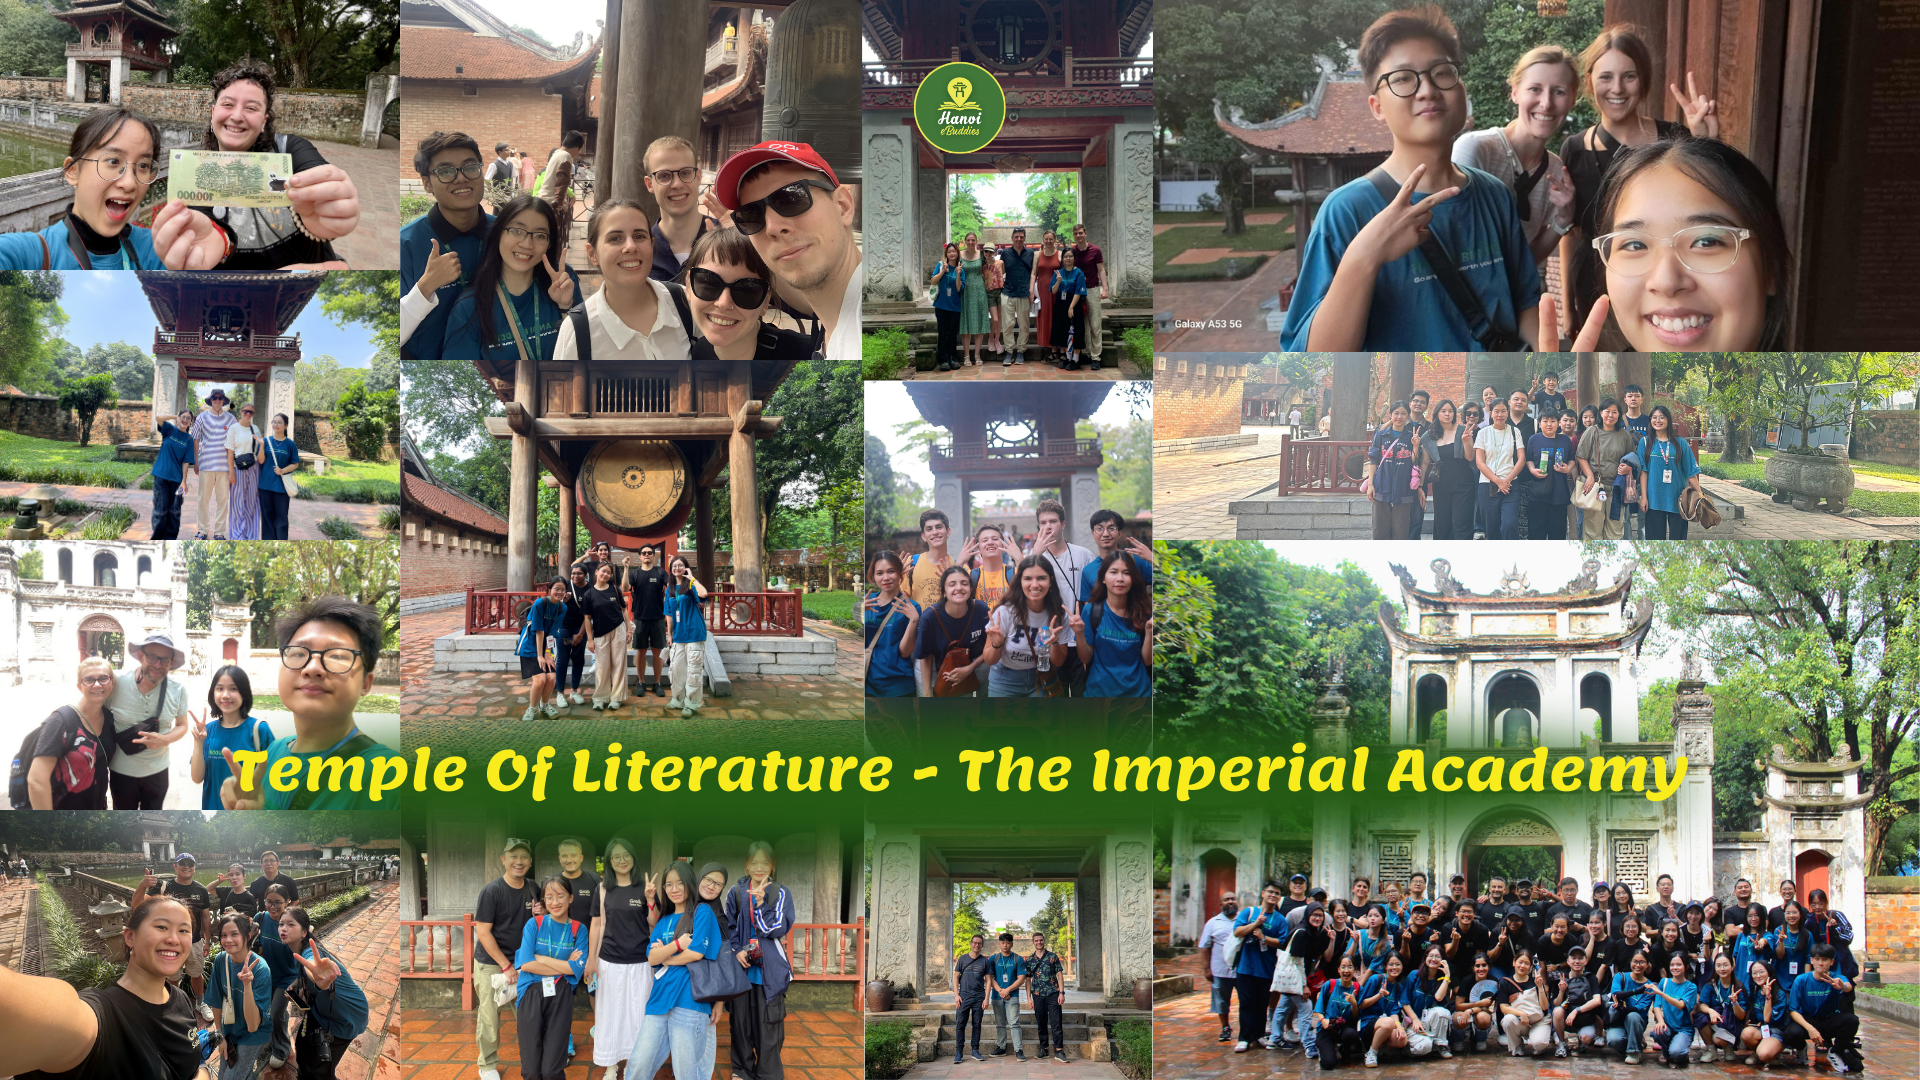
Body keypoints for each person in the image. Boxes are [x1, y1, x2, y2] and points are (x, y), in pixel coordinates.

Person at [1281, 6, 1542, 351]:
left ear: (1462, 88)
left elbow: (1526, 305)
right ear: (1376, 107)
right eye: (1403, 78)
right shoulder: (1348, 211)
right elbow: (1314, 364)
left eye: (1442, 72)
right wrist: (1363, 258)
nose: (1427, 90)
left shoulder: (1494, 195)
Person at [1555, 25, 1709, 339]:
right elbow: (1571, 234)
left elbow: (1704, 208)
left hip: (1658, 279)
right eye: (1605, 77)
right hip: (1593, 286)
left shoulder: (1674, 137)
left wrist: (1706, 142)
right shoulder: (1574, 148)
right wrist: (1568, 308)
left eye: (1629, 76)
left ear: (1643, 80)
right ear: (1590, 81)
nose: (1617, 88)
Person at [219, 598, 398, 811]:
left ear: (365, 683)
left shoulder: (390, 776)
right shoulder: (272, 753)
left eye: (337, 656)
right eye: (298, 653)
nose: (312, 668)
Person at [0, 894, 204, 1079]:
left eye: (183, 930)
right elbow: (52, 1017)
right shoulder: (100, 1019)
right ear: (130, 937)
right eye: (161, 927)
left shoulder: (181, 999)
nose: (174, 939)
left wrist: (202, 1072)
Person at [552, 201, 695, 461]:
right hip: (610, 471)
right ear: (592, 254)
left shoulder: (684, 303)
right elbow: (560, 418)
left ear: (652, 244)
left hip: (687, 464)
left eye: (639, 236)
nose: (630, 246)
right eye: (615, 238)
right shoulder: (578, 330)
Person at [0, 109, 225, 270]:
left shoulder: (159, 249)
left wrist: (221, 246)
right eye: (113, 161)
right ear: (72, 171)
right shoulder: (27, 255)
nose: (129, 183)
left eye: (143, 166)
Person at [192, 61, 359, 270]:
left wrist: (330, 202)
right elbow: (202, 229)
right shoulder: (196, 172)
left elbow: (317, 176)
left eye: (251, 108)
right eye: (227, 104)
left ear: (264, 121)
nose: (237, 116)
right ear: (213, 112)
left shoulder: (290, 150)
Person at [709, 140, 863, 362]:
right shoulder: (835, 323)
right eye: (752, 215)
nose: (772, 227)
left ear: (842, 206)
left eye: (792, 199)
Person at [1452, 47, 1577, 271]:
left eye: (1559, 92)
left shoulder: (1555, 171)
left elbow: (1527, 261)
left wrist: (1563, 219)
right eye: (1535, 89)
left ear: (1572, 100)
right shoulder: (1476, 150)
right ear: (1515, 93)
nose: (1546, 103)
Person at [442, 194, 579, 378]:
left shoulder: (563, 281)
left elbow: (585, 351)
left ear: (549, 244)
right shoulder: (469, 308)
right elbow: (463, 377)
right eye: (516, 230)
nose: (527, 244)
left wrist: (565, 307)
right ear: (499, 233)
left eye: (540, 235)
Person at [401, 131, 493, 361]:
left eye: (470, 167)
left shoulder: (504, 233)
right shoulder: (405, 244)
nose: (461, 178)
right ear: (427, 184)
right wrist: (426, 286)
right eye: (446, 171)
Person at [628, 860, 724, 1080]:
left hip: (690, 999)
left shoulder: (702, 912)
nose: (674, 889)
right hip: (659, 999)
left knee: (685, 1071)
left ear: (690, 883)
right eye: (669, 884)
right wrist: (678, 945)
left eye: (680, 883)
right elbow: (652, 958)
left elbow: (696, 953)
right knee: (639, 1062)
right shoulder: (663, 921)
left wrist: (667, 958)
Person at [587, 837, 654, 1078]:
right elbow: (596, 925)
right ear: (609, 861)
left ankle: (635, 1066)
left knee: (639, 1015)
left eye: (626, 855)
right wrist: (591, 960)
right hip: (609, 961)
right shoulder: (603, 889)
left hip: (641, 962)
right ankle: (611, 1064)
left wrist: (650, 900)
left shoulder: (644, 887)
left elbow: (654, 922)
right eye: (616, 856)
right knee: (610, 1014)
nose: (622, 860)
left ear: (633, 858)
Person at [724, 843, 792, 1080]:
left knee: (769, 1026)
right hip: (742, 968)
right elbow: (729, 927)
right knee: (740, 1024)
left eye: (765, 863)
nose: (759, 868)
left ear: (772, 865)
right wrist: (736, 950)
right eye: (754, 863)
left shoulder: (780, 893)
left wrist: (761, 905)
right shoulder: (735, 892)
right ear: (746, 864)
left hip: (769, 970)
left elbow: (777, 929)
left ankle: (768, 1074)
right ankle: (742, 1071)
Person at [471, 840, 538, 1080]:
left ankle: (533, 1061)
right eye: (513, 856)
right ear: (503, 859)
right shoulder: (492, 891)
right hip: (492, 963)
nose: (519, 862)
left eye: (524, 857)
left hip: (524, 963)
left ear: (530, 862)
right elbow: (483, 932)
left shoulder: (533, 888)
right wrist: (506, 966)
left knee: (529, 1015)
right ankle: (487, 1065)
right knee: (490, 1017)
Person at [279, 905, 370, 1079]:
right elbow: (304, 970)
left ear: (304, 932)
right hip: (323, 1010)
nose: (284, 928)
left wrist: (316, 977)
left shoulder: (309, 954)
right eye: (281, 924)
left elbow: (312, 967)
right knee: (303, 1047)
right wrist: (296, 984)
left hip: (345, 1016)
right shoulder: (298, 951)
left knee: (319, 1069)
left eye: (291, 924)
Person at [514, 876, 588, 1080]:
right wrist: (565, 966)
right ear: (543, 900)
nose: (555, 902)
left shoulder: (578, 930)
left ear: (570, 898)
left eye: (560, 896)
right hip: (530, 993)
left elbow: (577, 969)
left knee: (552, 1069)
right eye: (549, 897)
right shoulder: (534, 924)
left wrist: (542, 958)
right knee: (531, 1068)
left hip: (561, 994)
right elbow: (526, 964)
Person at [107, 631, 191, 810]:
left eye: (165, 660)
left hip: (157, 772)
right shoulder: (116, 683)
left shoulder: (178, 690)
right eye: (152, 657)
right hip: (121, 771)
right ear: (140, 656)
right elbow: (97, 715)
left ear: (171, 662)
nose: (158, 665)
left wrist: (165, 739)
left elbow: (183, 725)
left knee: (152, 822)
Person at [24, 657, 117, 810]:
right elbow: (36, 781)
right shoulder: (61, 720)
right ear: (79, 686)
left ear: (112, 683)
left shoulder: (108, 718)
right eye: (89, 680)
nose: (97, 684)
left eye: (103, 678)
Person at [980, 555, 1073, 698]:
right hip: (1004, 679)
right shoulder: (1005, 612)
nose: (1034, 585)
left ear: (1051, 581)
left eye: (1041, 578)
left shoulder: (1058, 614)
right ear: (1020, 581)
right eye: (1028, 578)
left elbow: (1059, 662)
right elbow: (989, 660)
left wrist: (1054, 643)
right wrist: (997, 644)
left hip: (1040, 678)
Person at [190, 665, 271, 811]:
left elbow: (275, 781)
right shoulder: (208, 731)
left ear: (244, 693)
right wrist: (198, 742)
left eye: (233, 689)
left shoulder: (259, 730)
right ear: (213, 693)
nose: (225, 695)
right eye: (220, 688)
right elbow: (197, 778)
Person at [1073, 551, 1153, 698]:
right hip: (1100, 698)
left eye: (1126, 573)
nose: (1120, 579)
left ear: (1133, 578)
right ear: (1103, 578)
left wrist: (1149, 632)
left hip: (1139, 698)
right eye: (1114, 572)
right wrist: (1079, 633)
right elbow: (1086, 659)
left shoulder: (1144, 613)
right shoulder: (1091, 611)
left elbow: (1147, 661)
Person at [200, 915, 269, 1078]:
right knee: (224, 1075)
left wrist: (247, 985)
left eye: (234, 934)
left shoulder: (261, 969)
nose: (228, 940)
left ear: (248, 935)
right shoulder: (221, 960)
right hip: (230, 1026)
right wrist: (220, 1036)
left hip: (253, 1034)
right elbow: (216, 1000)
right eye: (224, 935)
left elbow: (253, 1026)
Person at [643, 136, 712, 280]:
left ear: (698, 177)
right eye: (664, 176)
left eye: (685, 173)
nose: (677, 184)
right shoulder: (642, 250)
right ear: (650, 184)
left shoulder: (726, 238)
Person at [916, 566, 990, 697]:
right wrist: (926, 692)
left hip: (969, 663)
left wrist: (970, 668)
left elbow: (990, 646)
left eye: (964, 583)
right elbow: (925, 656)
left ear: (971, 589)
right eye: (952, 584)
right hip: (934, 666)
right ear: (944, 592)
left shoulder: (981, 609)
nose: (959, 588)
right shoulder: (929, 617)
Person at [1231, 882, 1286, 1054]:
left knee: (1262, 1004)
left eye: (1277, 893)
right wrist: (1255, 924)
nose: (1273, 895)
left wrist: (1264, 937)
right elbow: (1237, 932)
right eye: (1270, 892)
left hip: (1266, 968)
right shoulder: (1249, 912)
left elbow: (1282, 943)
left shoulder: (1280, 919)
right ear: (1263, 893)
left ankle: (1259, 1034)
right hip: (1246, 967)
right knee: (1246, 1003)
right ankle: (1244, 1038)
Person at [1635, 405, 1701, 539]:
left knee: (1678, 539)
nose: (1657, 421)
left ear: (1668, 420)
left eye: (1662, 417)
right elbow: (1644, 472)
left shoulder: (1680, 443)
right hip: (1654, 499)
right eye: (1654, 417)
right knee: (1654, 540)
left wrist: (1700, 496)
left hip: (1678, 500)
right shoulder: (1645, 442)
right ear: (1650, 420)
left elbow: (1691, 472)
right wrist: (1644, 497)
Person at [1574, 398, 1635, 541]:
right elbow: (1581, 456)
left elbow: (1632, 458)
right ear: (1601, 413)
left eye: (1615, 412)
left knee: (1615, 530)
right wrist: (1589, 475)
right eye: (1607, 411)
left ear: (1619, 415)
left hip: (1616, 488)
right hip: (1595, 487)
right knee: (1593, 530)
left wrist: (1628, 467)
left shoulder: (1624, 435)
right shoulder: (1592, 431)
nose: (1610, 415)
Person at [862, 551, 920, 698]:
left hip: (899, 685)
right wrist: (859, 612)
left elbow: (905, 652)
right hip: (868, 683)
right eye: (879, 573)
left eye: (891, 571)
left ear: (901, 573)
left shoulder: (912, 607)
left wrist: (914, 620)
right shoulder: (866, 603)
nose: (886, 578)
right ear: (873, 577)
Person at [617, 546, 670, 699]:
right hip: (640, 617)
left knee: (657, 651)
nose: (647, 555)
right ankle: (641, 682)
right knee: (640, 651)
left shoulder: (660, 573)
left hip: (658, 618)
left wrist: (672, 567)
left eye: (649, 553)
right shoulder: (635, 573)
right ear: (640, 556)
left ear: (653, 556)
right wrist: (626, 568)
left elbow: (671, 586)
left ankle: (657, 683)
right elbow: (625, 588)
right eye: (644, 553)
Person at [1364, 400, 1420, 539]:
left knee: (1401, 531)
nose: (1399, 417)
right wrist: (1370, 485)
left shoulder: (1410, 437)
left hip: (1403, 487)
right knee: (1379, 530)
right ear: (1390, 414)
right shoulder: (1381, 435)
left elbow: (1414, 463)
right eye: (1396, 413)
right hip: (1381, 485)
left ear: (1407, 416)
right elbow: (1373, 460)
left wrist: (1415, 446)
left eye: (1403, 414)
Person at [663, 555, 710, 718]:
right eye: (674, 566)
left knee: (694, 671)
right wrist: (669, 634)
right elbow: (669, 613)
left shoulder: (690, 584)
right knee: (676, 670)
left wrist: (692, 578)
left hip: (694, 633)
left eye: (680, 565)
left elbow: (704, 595)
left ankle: (691, 704)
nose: (677, 568)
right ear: (671, 569)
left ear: (686, 568)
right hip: (678, 635)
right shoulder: (669, 588)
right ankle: (678, 700)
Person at [580, 563, 631, 712]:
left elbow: (624, 610)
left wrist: (629, 630)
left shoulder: (615, 590)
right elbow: (587, 618)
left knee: (619, 665)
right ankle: (600, 698)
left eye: (609, 573)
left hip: (618, 630)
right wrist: (590, 639)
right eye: (603, 571)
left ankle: (617, 697)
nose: (606, 574)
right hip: (600, 633)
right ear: (597, 572)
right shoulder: (589, 594)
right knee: (602, 667)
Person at [517, 579, 569, 721]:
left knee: (551, 679)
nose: (559, 592)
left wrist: (547, 653)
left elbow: (553, 632)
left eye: (563, 589)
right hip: (530, 644)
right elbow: (539, 630)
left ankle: (544, 705)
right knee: (540, 680)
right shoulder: (540, 603)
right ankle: (531, 708)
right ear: (550, 589)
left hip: (546, 644)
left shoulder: (562, 608)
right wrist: (540, 655)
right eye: (556, 588)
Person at [1474, 400, 1525, 540]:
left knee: (1509, 525)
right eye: (1496, 411)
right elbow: (1479, 462)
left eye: (1503, 411)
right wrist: (1498, 481)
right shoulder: (1483, 433)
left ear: (1508, 413)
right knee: (1491, 528)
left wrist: (1505, 481)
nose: (1500, 415)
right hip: (1487, 485)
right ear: (1491, 413)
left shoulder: (1515, 431)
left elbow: (1521, 459)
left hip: (1510, 485)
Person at [191, 390, 237, 540]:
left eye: (220, 398)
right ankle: (202, 529)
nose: (217, 400)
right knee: (203, 499)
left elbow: (235, 441)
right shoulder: (202, 417)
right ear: (210, 400)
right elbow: (196, 439)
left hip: (224, 466)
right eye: (214, 398)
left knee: (222, 500)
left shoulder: (231, 419)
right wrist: (196, 461)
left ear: (224, 400)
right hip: (206, 463)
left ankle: (219, 532)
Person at [1198, 891, 1242, 1043]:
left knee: (1246, 1000)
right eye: (1226, 899)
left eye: (1233, 899)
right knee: (1221, 1001)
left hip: (1242, 969)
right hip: (1220, 970)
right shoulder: (1212, 923)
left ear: (1237, 901)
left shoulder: (1244, 919)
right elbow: (1204, 947)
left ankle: (1246, 1029)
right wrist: (1206, 969)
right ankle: (1225, 1027)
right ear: (1220, 904)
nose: (1230, 902)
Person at [1308, 953, 1365, 1066]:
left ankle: (1344, 1050)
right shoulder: (1330, 984)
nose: (1346, 970)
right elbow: (1318, 1009)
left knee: (1351, 1034)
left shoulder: (1358, 989)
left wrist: (1354, 1003)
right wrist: (1323, 1020)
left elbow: (1355, 1016)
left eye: (1350, 967)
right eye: (1343, 967)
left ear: (1355, 970)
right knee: (1328, 1064)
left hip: (1345, 1028)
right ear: (1338, 970)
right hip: (1327, 1027)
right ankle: (1327, 1049)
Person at [1524, 408, 1573, 540]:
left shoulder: (1565, 440)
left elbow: (1572, 459)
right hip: (1538, 493)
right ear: (1539, 424)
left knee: (1558, 533)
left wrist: (1568, 468)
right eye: (1545, 421)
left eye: (1553, 421)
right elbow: (1528, 459)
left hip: (1559, 493)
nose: (1549, 424)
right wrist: (1532, 470)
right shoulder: (1534, 439)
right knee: (1536, 533)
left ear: (1558, 423)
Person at [1643, 951, 1699, 1066]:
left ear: (1686, 966)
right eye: (1672, 965)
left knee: (1677, 1052)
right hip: (1668, 1026)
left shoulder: (1691, 987)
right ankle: (1666, 1052)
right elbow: (1657, 1006)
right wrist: (1661, 1022)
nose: (1675, 968)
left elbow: (1681, 1005)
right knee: (1657, 1032)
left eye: (1679, 964)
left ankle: (1679, 1054)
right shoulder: (1664, 982)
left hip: (1683, 1029)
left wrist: (1661, 993)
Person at [148, 409, 195, 541]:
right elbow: (158, 417)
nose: (185, 420)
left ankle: (170, 540)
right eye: (183, 417)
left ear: (191, 422)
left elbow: (186, 462)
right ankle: (157, 539)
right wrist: (175, 416)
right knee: (160, 511)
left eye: (188, 418)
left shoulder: (189, 439)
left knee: (174, 512)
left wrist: (184, 481)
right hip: (161, 476)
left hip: (176, 479)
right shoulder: (169, 430)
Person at [1603, 948, 1656, 1063]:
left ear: (1647, 965)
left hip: (1636, 1021)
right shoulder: (1620, 977)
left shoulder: (1650, 986)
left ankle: (1634, 1052)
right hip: (1618, 1020)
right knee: (1613, 1040)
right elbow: (1615, 994)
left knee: (1633, 1016)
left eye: (1642, 962)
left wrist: (1621, 1008)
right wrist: (1637, 991)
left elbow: (1638, 1009)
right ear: (1630, 962)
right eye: (1635, 961)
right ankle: (1635, 1043)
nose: (1638, 965)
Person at [1027, 932, 1068, 1062]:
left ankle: (1059, 1051)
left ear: (1044, 941)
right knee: (1041, 1022)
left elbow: (1059, 975)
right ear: (1033, 942)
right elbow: (1028, 980)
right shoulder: (1030, 960)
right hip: (1037, 995)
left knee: (1056, 1022)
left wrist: (1061, 993)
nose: (1039, 942)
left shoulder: (1052, 956)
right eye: (1036, 940)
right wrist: (1028, 998)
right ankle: (1044, 1049)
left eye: (1041, 940)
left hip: (1053, 993)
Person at [986, 932, 1027, 1060]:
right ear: (999, 944)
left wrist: (1007, 990)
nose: (1005, 945)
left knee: (1014, 1023)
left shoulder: (1018, 959)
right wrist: (1000, 991)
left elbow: (1021, 978)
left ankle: (1018, 1050)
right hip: (997, 996)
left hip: (1012, 996)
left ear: (1012, 944)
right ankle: (1001, 1047)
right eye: (1003, 943)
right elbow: (989, 977)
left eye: (1008, 943)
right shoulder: (993, 959)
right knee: (1000, 1023)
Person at [258, 412, 299, 540]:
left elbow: (295, 463)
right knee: (266, 517)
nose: (276, 425)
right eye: (274, 422)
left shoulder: (290, 444)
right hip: (265, 485)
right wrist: (261, 445)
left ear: (285, 425)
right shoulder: (266, 441)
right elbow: (261, 461)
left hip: (282, 488)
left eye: (279, 422)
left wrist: (283, 470)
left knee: (281, 518)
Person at [224, 403, 263, 541]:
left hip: (253, 468)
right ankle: (237, 534)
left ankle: (251, 534)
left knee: (252, 502)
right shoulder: (234, 428)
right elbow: (230, 452)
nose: (248, 414)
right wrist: (231, 473)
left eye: (251, 412)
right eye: (246, 411)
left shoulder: (255, 428)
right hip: (238, 468)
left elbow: (259, 448)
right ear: (241, 412)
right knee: (237, 502)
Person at [1555, 946, 1603, 1057]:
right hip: (1567, 1019)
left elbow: (1597, 1001)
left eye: (1580, 958)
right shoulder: (1562, 977)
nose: (1577, 961)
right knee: (1557, 1011)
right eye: (1573, 958)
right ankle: (1562, 1043)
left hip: (1585, 1018)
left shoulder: (1591, 978)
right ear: (1568, 961)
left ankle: (1584, 1040)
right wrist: (1561, 991)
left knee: (1586, 1039)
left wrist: (1576, 1011)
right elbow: (1556, 1005)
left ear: (1585, 961)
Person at [556, 564, 593, 707]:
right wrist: (563, 601)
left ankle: (574, 691)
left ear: (585, 575)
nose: (575, 576)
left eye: (579, 573)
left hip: (580, 629)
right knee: (563, 659)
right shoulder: (565, 585)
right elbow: (555, 606)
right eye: (573, 573)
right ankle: (560, 693)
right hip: (564, 628)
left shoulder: (590, 589)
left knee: (578, 659)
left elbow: (588, 616)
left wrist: (580, 635)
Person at [953, 935, 991, 1063]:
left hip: (979, 996)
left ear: (982, 945)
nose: (977, 945)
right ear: (971, 944)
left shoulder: (985, 961)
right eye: (975, 943)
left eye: (979, 943)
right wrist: (956, 995)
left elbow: (988, 981)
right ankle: (959, 1052)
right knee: (960, 1024)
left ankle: (975, 1050)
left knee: (977, 1024)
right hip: (963, 996)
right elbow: (956, 977)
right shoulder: (962, 959)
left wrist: (986, 998)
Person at [998, 228, 1034, 362]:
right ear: (1012, 238)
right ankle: (1009, 351)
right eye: (1016, 237)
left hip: (1024, 292)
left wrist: (1031, 290)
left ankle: (1020, 350)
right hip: (1008, 292)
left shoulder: (1030, 253)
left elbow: (1033, 273)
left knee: (1024, 325)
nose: (1019, 239)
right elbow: (1000, 271)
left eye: (1021, 237)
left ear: (1024, 238)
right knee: (1007, 324)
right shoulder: (1005, 253)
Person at [1050, 247, 1089, 370]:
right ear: (1062, 258)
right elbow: (1053, 291)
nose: (1068, 258)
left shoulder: (1079, 273)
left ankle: (1075, 359)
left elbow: (1079, 291)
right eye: (1065, 256)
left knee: (1076, 330)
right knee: (1063, 331)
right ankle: (1067, 358)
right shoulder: (1058, 273)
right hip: (1060, 305)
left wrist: (1071, 307)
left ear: (1074, 258)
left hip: (1074, 304)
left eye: (1070, 256)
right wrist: (1058, 281)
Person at [538, 131, 585, 230]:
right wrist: (560, 204)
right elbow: (562, 182)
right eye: (579, 150)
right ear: (576, 148)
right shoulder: (566, 156)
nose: (578, 153)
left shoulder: (557, 153)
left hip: (544, 199)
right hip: (550, 203)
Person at [930, 242, 964, 371]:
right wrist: (943, 271)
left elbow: (959, 288)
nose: (952, 253)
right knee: (943, 334)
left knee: (953, 334)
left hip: (955, 307)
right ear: (946, 254)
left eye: (954, 251)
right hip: (941, 306)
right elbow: (933, 281)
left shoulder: (961, 269)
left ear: (957, 253)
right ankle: (943, 360)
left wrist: (958, 274)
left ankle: (953, 358)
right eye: (949, 251)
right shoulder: (940, 265)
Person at [958, 232, 991, 366]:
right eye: (968, 240)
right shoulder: (959, 255)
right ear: (965, 241)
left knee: (979, 321)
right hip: (965, 290)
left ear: (976, 241)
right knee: (966, 323)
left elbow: (991, 265)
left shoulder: (982, 254)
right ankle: (966, 356)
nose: (971, 242)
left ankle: (977, 355)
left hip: (979, 290)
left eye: (973, 240)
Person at [968, 525, 1013, 609]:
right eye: (985, 540)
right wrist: (959, 563)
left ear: (1003, 545)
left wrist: (1019, 559)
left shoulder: (1015, 573)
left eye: (995, 539)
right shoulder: (970, 576)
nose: (990, 542)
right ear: (978, 548)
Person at [484, 141, 518, 207]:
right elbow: (487, 180)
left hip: (509, 195)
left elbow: (513, 178)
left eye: (509, 150)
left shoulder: (510, 164)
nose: (509, 152)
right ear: (500, 152)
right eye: (506, 150)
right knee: (498, 211)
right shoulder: (494, 165)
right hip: (499, 196)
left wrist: (512, 192)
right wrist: (492, 193)